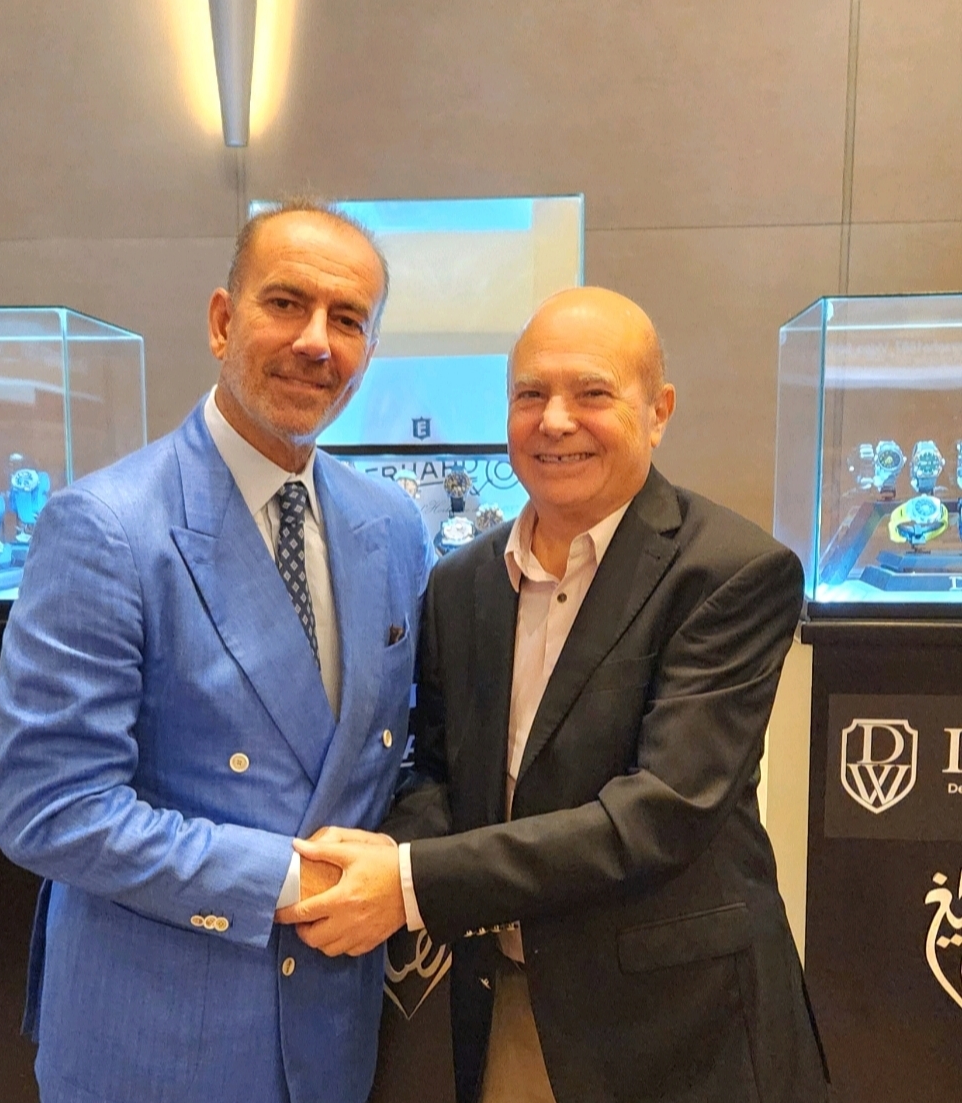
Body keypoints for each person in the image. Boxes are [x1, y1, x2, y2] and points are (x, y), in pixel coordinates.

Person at [278, 287, 831, 1102]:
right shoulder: (462, 582)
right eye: (531, 393)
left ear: (658, 411)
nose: (556, 420)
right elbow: (438, 771)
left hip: (681, 1027)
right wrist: (366, 859)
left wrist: (408, 882)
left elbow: (660, 813)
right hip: (506, 1003)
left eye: (592, 392)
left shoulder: (731, 572)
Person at [0, 199, 433, 1103]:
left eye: (348, 319)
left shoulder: (391, 525)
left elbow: (400, 756)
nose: (316, 342)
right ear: (223, 320)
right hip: (154, 1043)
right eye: (287, 303)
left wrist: (403, 867)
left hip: (331, 1036)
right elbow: (50, 806)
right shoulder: (106, 527)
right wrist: (287, 880)